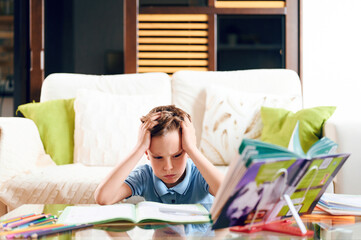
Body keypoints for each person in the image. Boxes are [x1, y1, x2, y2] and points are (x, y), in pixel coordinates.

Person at [94, 105, 224, 208]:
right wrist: (139, 148)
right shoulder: (144, 176)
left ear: (187, 152)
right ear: (147, 153)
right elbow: (104, 198)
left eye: (177, 155)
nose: (168, 167)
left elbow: (230, 195)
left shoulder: (200, 175)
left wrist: (192, 149)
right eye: (158, 157)